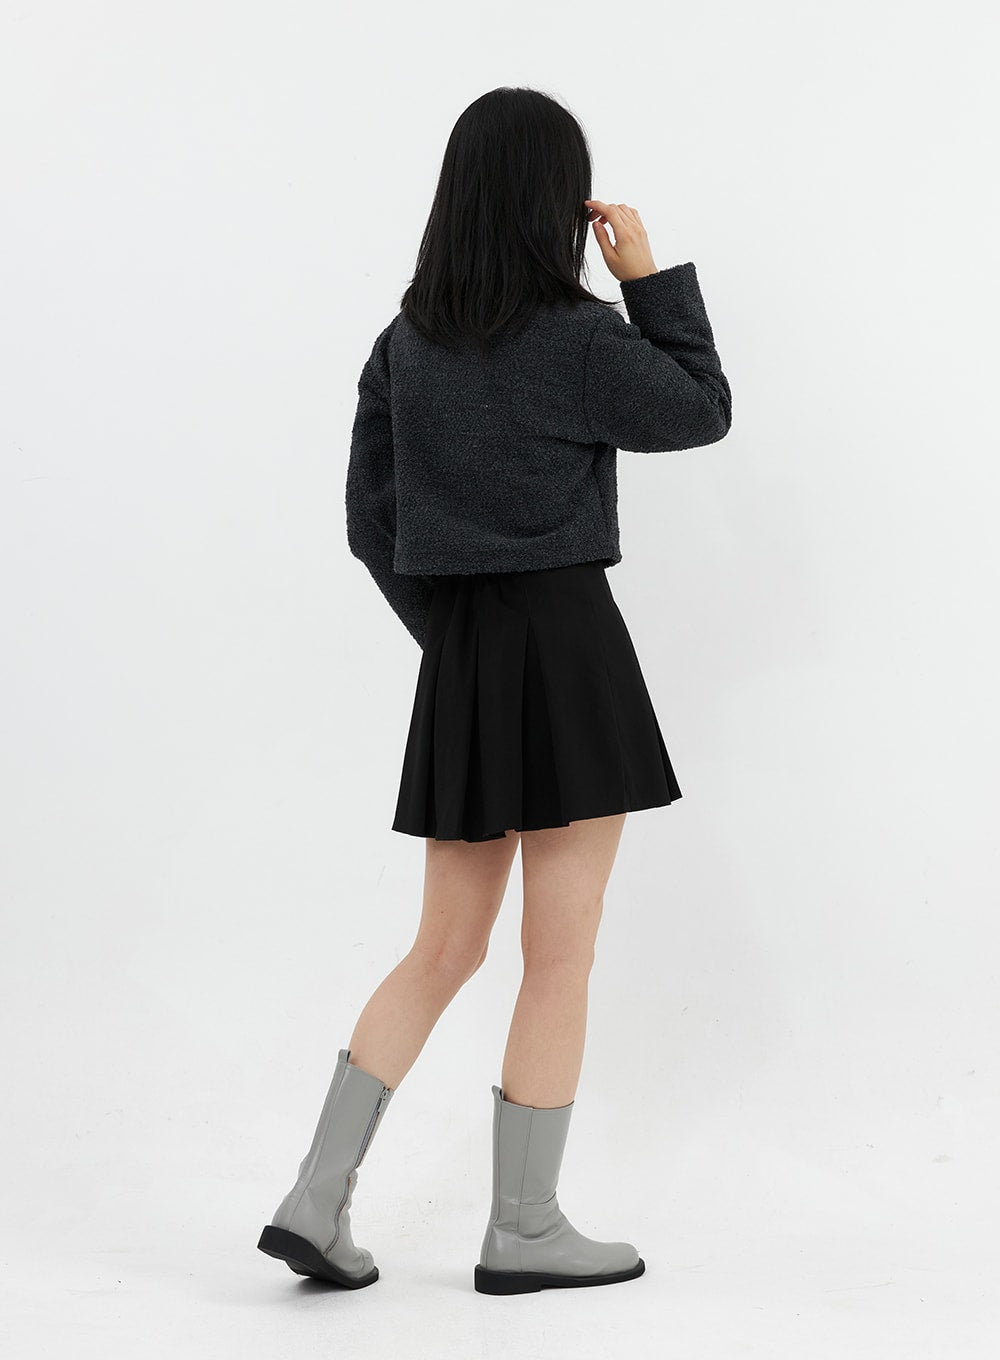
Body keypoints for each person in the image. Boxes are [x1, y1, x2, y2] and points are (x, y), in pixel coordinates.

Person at [257, 86, 732, 1296]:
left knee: (441, 946)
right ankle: (523, 1228)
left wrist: (457, 643)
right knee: (557, 953)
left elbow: (370, 524)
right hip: (568, 651)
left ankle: (315, 1198)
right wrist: (648, 280)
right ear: (554, 204)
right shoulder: (579, 339)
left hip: (464, 659)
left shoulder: (405, 345)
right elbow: (699, 411)